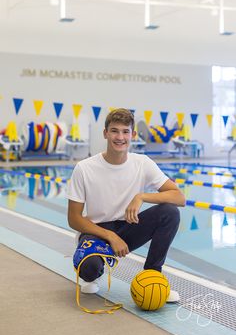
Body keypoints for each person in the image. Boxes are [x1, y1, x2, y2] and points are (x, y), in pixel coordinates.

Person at [67, 108, 185, 302]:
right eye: (114, 131)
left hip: (130, 225)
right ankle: (95, 265)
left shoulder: (142, 163)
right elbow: (74, 218)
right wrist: (110, 236)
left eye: (125, 131)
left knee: (169, 213)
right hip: (98, 230)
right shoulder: (85, 168)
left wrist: (141, 197)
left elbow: (179, 197)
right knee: (88, 270)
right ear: (105, 133)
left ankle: (153, 277)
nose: (120, 137)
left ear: (133, 135)